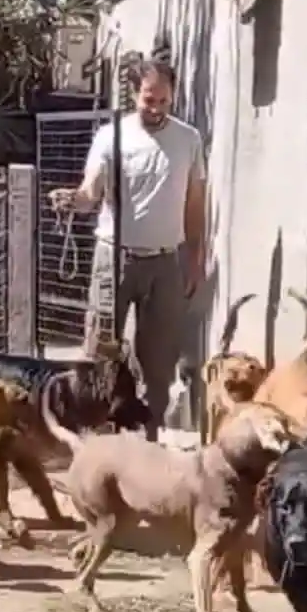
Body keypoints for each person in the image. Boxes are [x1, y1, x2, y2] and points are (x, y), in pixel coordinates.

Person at [49, 58, 206, 435]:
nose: (156, 109)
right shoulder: (111, 136)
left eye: (164, 101)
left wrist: (196, 259)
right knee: (101, 350)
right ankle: (96, 436)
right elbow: (90, 194)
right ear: (134, 94)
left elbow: (195, 203)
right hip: (113, 258)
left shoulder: (189, 139)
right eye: (149, 99)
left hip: (166, 261)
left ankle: (148, 439)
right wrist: (72, 199)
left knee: (159, 357)